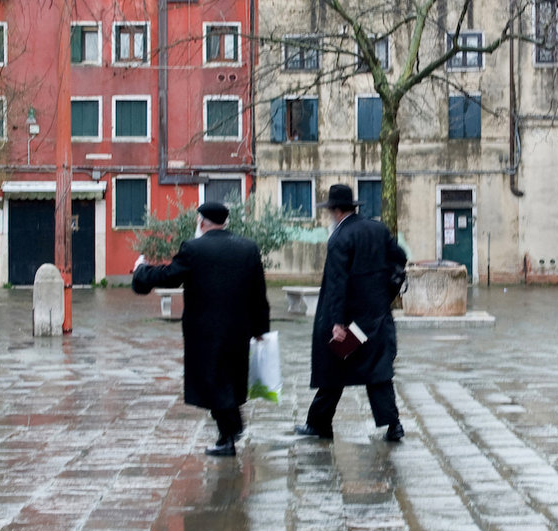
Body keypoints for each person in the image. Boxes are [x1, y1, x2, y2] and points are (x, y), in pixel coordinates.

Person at [133, 201, 270, 457]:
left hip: (205, 333)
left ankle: (228, 437)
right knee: (227, 381)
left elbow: (168, 276)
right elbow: (258, 293)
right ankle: (229, 432)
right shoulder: (248, 248)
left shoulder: (194, 248)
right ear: (225, 222)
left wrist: (141, 270)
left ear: (202, 221)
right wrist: (261, 328)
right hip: (239, 331)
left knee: (212, 383)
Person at [295, 184, 407, 442]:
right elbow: (399, 258)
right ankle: (394, 426)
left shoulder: (339, 239)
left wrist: (336, 322)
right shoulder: (378, 229)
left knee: (334, 368)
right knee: (379, 371)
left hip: (351, 323)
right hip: (377, 317)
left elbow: (337, 283)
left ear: (335, 210)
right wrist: (385, 292)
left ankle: (318, 424)